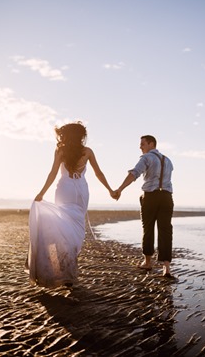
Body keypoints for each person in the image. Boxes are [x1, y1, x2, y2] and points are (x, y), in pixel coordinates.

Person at [26, 121, 116, 288]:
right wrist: (111, 190)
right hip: (81, 192)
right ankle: (69, 269)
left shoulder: (61, 151)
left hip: (64, 190)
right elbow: (98, 173)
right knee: (76, 228)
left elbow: (53, 173)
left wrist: (42, 192)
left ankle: (61, 271)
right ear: (81, 136)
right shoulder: (87, 152)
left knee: (61, 226)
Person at [113, 135, 174, 278]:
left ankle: (147, 262)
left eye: (142, 144)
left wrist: (120, 189)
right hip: (166, 197)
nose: (140, 147)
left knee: (148, 228)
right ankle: (166, 268)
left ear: (151, 144)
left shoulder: (146, 158)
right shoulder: (169, 161)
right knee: (166, 230)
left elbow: (134, 174)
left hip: (151, 197)